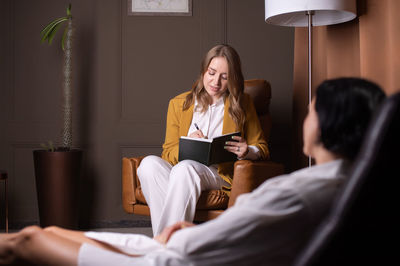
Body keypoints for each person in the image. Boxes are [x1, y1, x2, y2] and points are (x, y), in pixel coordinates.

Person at [0, 78, 385, 266]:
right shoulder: (345, 187)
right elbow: (242, 235)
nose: (305, 119)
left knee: (30, 238)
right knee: (49, 232)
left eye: (312, 111)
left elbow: (192, 251)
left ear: (329, 123)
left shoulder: (294, 192)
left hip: (172, 259)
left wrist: (243, 150)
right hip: (180, 244)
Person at [137, 44, 269, 235]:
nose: (216, 81)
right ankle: (174, 245)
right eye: (212, 73)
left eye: (225, 77)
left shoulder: (243, 103)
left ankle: (165, 246)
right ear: (203, 71)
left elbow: (263, 147)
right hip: (182, 172)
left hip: (218, 174)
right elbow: (168, 152)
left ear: (232, 79)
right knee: (148, 165)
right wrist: (187, 143)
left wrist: (248, 151)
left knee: (185, 169)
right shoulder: (178, 104)